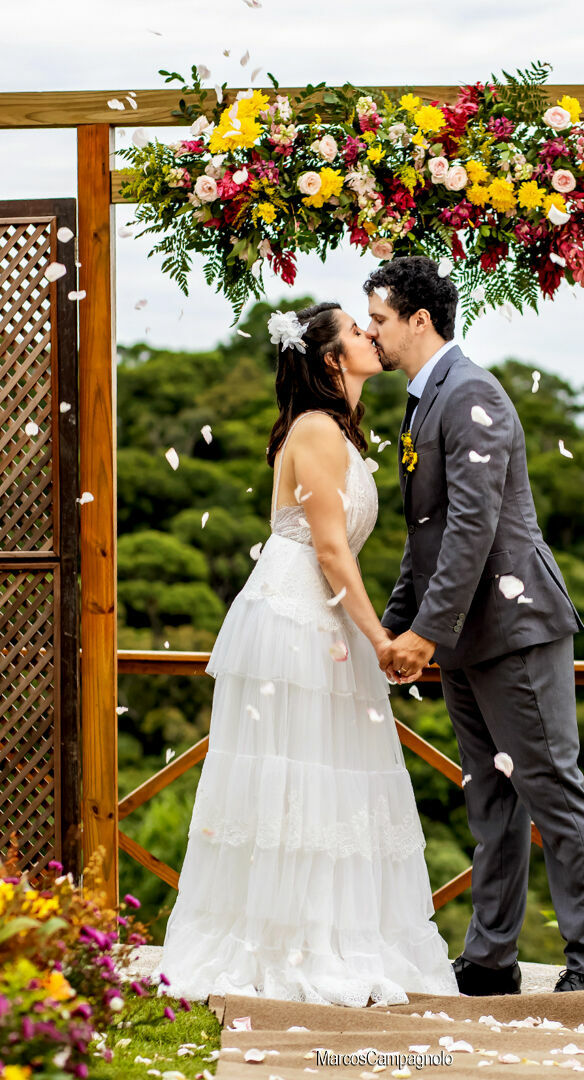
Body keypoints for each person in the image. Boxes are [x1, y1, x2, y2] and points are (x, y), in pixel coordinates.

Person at [154, 302, 457, 1006]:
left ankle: (324, 930)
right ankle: (285, 943)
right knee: (297, 779)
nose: (370, 335)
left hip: (323, 612)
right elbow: (326, 547)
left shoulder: (336, 432)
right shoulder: (317, 429)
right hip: (296, 616)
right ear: (329, 359)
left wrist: (365, 629)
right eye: (357, 329)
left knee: (331, 779)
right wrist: (380, 636)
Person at [365, 256, 584, 996]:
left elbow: (473, 526)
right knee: (490, 796)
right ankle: (488, 959)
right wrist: (392, 628)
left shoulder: (470, 390)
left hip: (515, 627)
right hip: (463, 638)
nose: (372, 332)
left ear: (419, 319)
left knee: (551, 789)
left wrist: (424, 633)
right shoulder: (420, 400)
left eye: (379, 319)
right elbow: (427, 535)